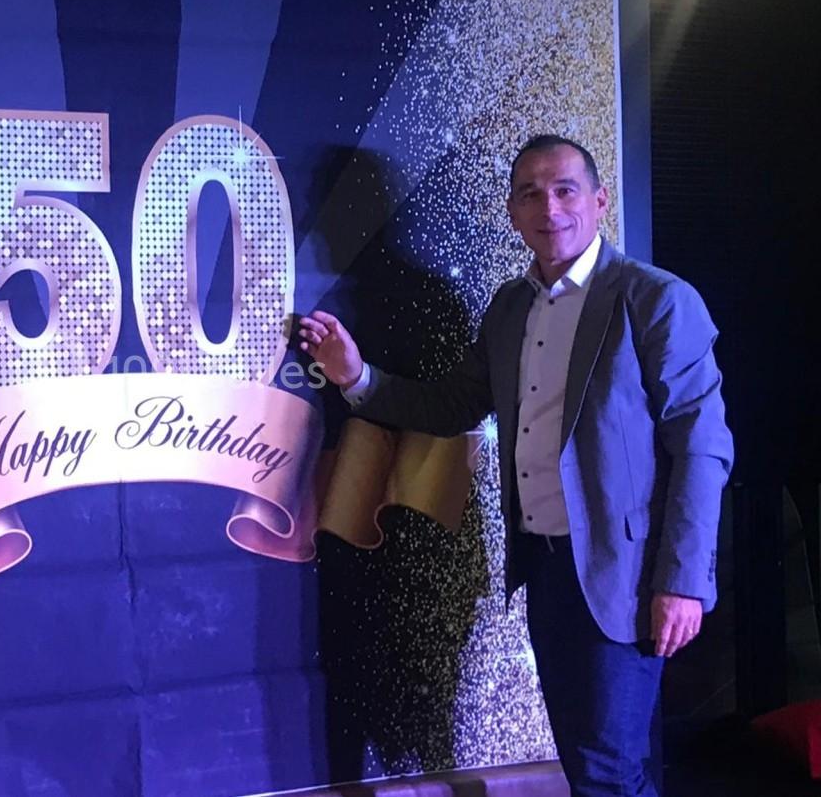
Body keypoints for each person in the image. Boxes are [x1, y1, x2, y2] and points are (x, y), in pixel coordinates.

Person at [299, 134, 733, 797]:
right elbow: (450, 406)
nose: (549, 206)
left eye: (564, 190)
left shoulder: (654, 300)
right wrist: (356, 377)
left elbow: (703, 447)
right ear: (512, 211)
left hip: (625, 580)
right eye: (530, 192)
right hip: (546, 569)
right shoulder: (510, 308)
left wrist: (682, 582)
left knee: (608, 772)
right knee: (595, 767)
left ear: (598, 200)